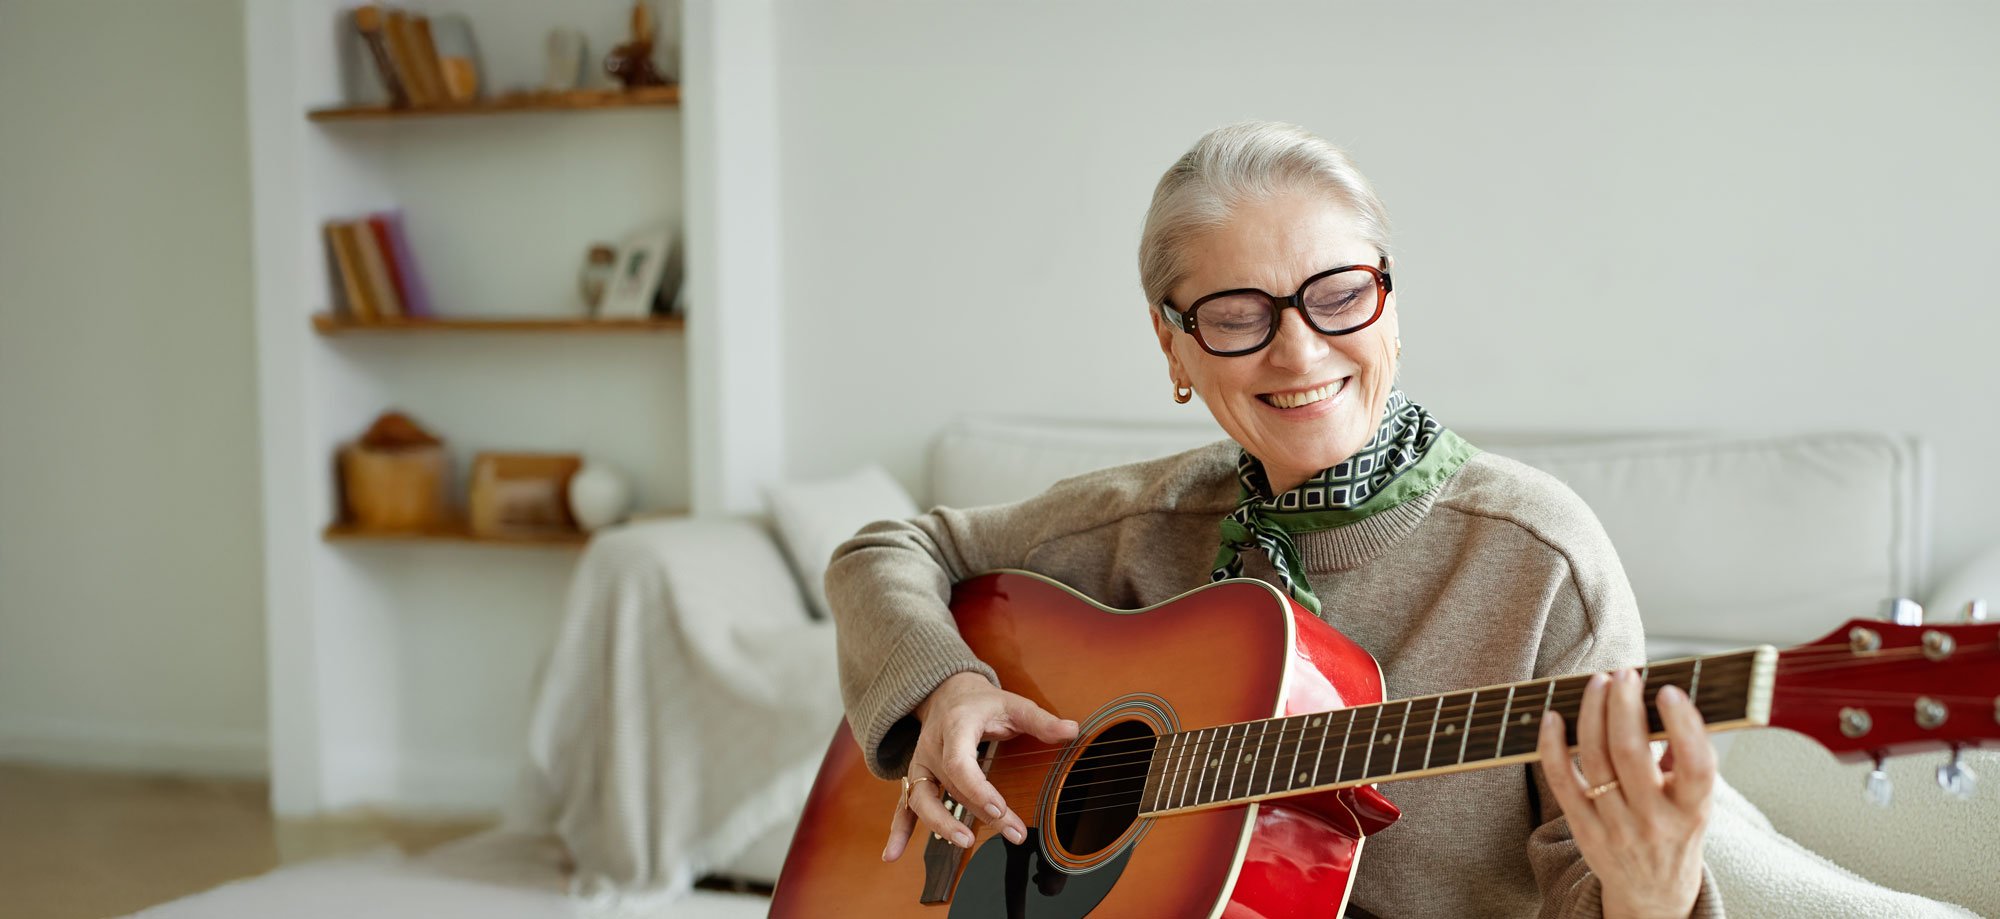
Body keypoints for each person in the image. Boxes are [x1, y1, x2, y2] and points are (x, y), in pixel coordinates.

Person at [826, 121, 1722, 918]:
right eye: (1236, 315)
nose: (1299, 349)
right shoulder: (1143, 520)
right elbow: (891, 547)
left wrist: (1653, 893)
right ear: (1171, 343)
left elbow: (1594, 885)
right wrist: (946, 687)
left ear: (1391, 305)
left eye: (1337, 295)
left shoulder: (1540, 560)